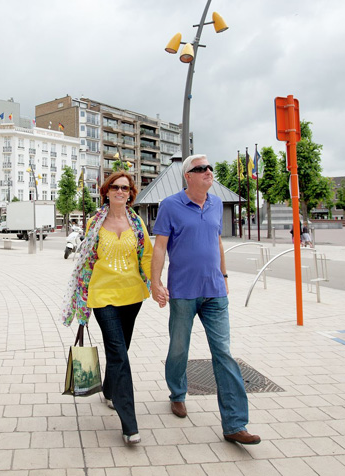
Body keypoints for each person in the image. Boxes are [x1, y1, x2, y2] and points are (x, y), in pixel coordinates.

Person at [151, 154, 261, 446]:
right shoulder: (170, 206)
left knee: (223, 353)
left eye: (210, 167)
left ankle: (235, 424)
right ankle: (177, 394)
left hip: (215, 291)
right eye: (201, 169)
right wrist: (155, 282)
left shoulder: (215, 204)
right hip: (183, 291)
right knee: (179, 348)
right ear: (188, 176)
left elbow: (217, 241)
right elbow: (160, 247)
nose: (209, 172)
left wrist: (224, 277)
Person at [63, 171, 152, 445]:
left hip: (133, 295)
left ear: (131, 193)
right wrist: (81, 295)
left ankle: (110, 391)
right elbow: (86, 259)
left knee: (120, 350)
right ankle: (129, 424)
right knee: (118, 352)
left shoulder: (137, 223)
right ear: (106, 191)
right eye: (115, 187)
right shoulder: (94, 222)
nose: (120, 191)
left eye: (125, 188)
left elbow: (146, 255)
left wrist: (158, 284)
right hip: (102, 296)